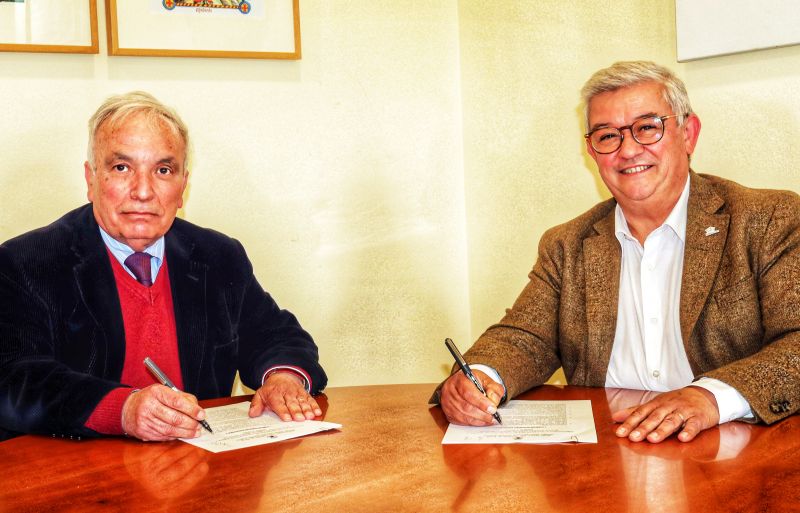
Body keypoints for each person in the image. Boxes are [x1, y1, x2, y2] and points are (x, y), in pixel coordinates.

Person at [435, 61, 800, 443]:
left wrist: (710, 396)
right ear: (592, 152)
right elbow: (524, 338)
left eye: (647, 128)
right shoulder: (567, 245)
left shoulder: (767, 220)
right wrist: (479, 377)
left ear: (688, 134)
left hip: (731, 453)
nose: (628, 150)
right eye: (608, 136)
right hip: (609, 451)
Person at [0, 91, 327, 441]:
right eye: (121, 167)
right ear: (91, 179)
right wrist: (123, 409)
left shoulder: (218, 256)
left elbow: (275, 335)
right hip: (70, 466)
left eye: (163, 170)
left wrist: (283, 378)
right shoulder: (25, 263)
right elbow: (13, 378)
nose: (143, 191)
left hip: (196, 461)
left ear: (183, 186)